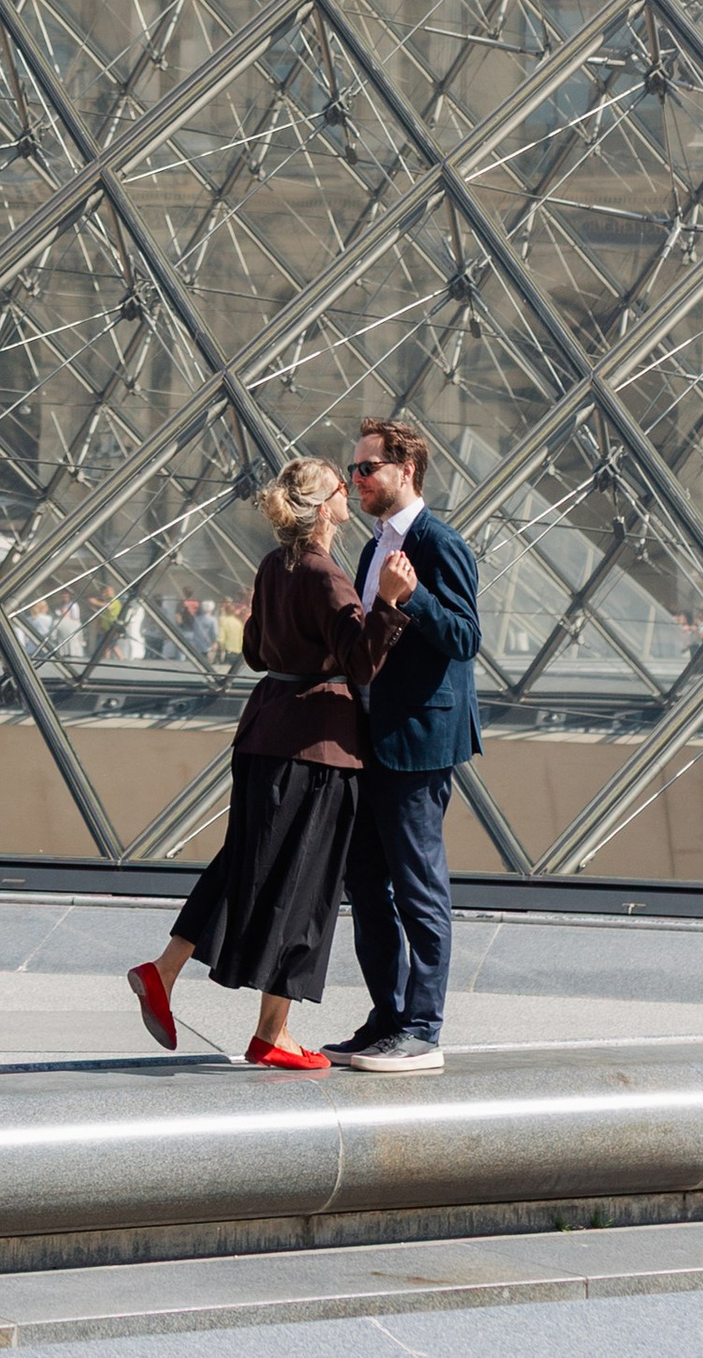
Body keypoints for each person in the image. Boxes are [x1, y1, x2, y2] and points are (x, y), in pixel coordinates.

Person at [126, 456, 414, 1072]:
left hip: (264, 731)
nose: (352, 491)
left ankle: (166, 970)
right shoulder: (326, 576)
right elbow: (361, 665)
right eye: (345, 485)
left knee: (247, 862)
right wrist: (389, 604)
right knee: (308, 883)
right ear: (326, 505)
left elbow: (255, 652)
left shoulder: (274, 566)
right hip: (319, 744)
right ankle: (271, 1034)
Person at [329, 415, 483, 1075]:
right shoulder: (371, 548)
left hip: (418, 742)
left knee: (418, 887)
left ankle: (422, 1027)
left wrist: (412, 597)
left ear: (406, 471)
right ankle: (386, 1017)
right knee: (365, 884)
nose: (356, 479)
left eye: (367, 469)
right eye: (355, 469)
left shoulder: (437, 543)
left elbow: (465, 637)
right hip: (372, 737)